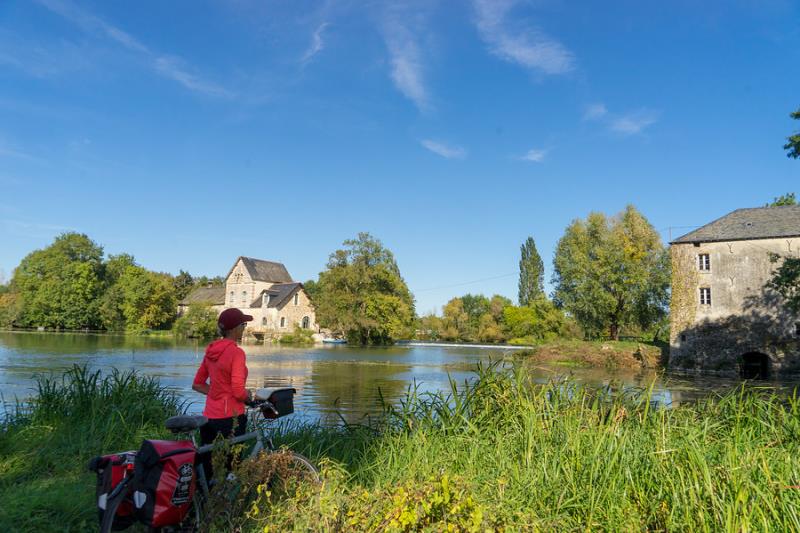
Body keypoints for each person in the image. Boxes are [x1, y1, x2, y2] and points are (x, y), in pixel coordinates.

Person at [192, 307, 254, 483]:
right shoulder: (236, 353)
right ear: (235, 328)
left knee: (208, 467)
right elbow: (238, 391)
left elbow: (197, 384)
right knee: (232, 467)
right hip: (231, 418)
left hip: (209, 417)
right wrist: (248, 396)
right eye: (243, 324)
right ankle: (228, 505)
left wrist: (217, 393)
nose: (245, 328)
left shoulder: (211, 351)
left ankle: (203, 503)